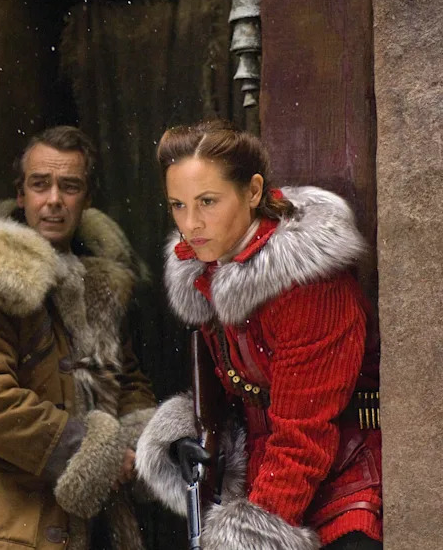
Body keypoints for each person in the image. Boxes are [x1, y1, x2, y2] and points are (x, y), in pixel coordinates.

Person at [135, 120, 381, 550]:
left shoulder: (309, 287)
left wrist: (248, 535)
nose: (191, 224)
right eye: (177, 205)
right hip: (272, 480)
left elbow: (305, 434)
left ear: (252, 191)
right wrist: (191, 435)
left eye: (208, 201)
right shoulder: (210, 268)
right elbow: (240, 393)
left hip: (345, 482)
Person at [0, 126, 158, 549]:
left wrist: (137, 444)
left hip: (89, 526)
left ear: (86, 200)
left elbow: (126, 379)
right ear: (21, 194)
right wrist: (91, 452)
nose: (53, 200)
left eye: (69, 187)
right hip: (3, 526)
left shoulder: (102, 284)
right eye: (40, 184)